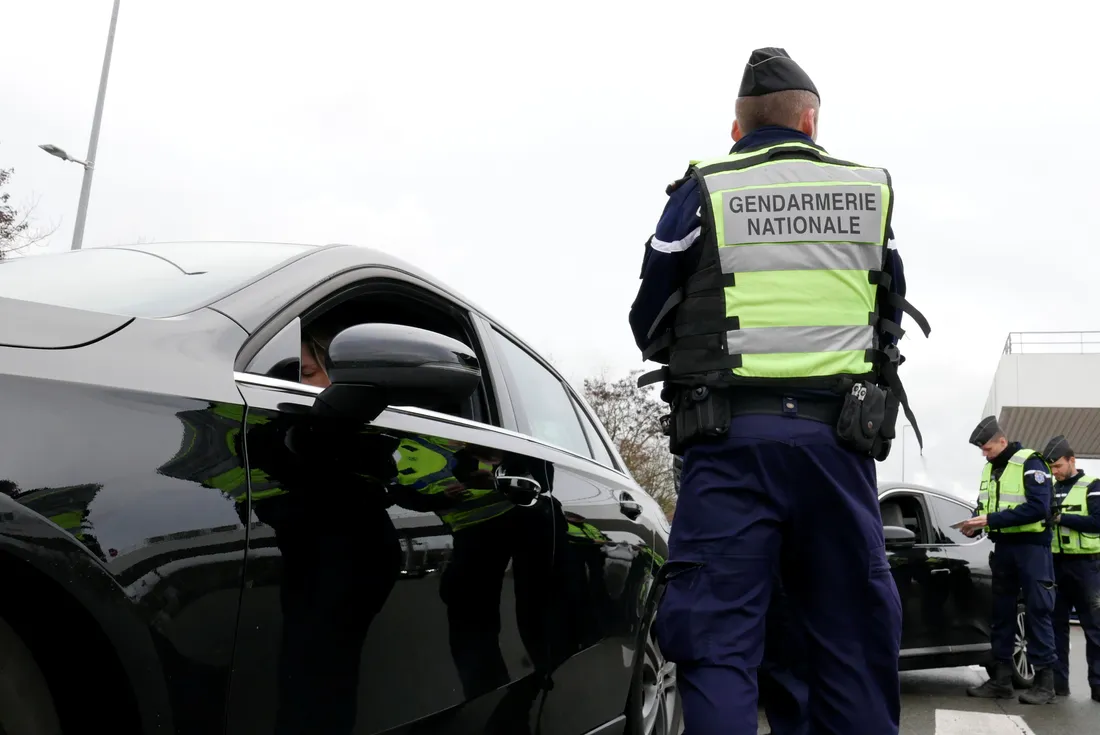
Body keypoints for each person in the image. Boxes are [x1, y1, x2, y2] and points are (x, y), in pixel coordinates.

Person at [630, 47, 929, 735]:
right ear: (811, 121)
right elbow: (887, 312)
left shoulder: (704, 189)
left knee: (717, 640)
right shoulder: (869, 193)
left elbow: (649, 318)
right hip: (839, 448)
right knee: (851, 638)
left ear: (738, 128)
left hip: (730, 444)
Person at [960, 416, 1059, 704]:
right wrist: (976, 523)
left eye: (987, 447)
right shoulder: (990, 470)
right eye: (982, 449)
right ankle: (1001, 680)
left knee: (1037, 611)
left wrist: (991, 518)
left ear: (1002, 441)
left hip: (1031, 549)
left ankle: (1045, 684)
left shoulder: (1030, 462)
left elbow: (1039, 508)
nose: (984, 453)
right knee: (1000, 613)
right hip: (1003, 548)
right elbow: (987, 506)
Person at [1040, 434, 1100, 702]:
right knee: (1055, 627)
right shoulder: (1050, 487)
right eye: (1051, 468)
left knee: (1095, 628)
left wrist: (1062, 517)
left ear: (1072, 460)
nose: (1055, 472)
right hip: (1055, 565)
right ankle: (1058, 685)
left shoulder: (1093, 485)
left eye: (1058, 466)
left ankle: (1098, 686)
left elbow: (1098, 522)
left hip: (1088, 567)